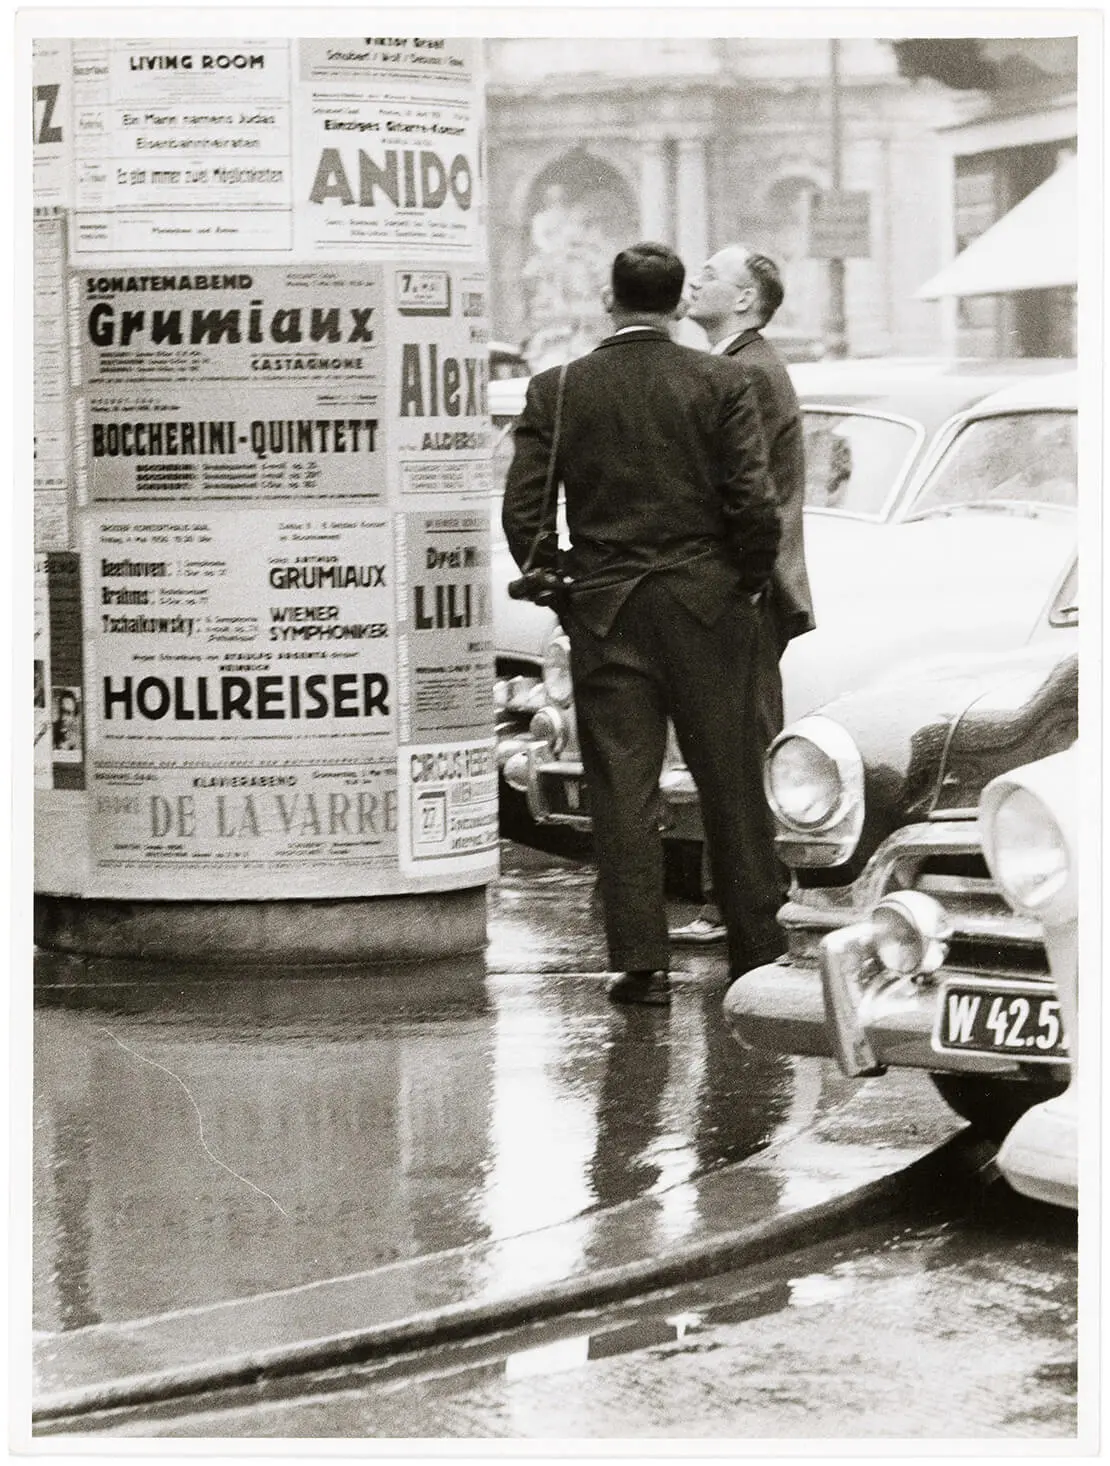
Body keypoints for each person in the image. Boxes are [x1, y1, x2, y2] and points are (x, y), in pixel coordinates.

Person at [503, 241, 783, 1007]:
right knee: (731, 779)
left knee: (621, 785)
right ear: (672, 304)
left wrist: (568, 583)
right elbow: (754, 505)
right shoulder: (722, 381)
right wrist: (744, 583)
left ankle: (639, 961)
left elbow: (524, 512)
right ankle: (757, 953)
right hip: (707, 606)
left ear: (608, 298)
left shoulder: (558, 389)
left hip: (607, 609)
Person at [671, 245, 816, 947]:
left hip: (746, 589)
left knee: (741, 740)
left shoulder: (747, 373)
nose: (694, 280)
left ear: (745, 300)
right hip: (742, 586)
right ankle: (730, 899)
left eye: (711, 275)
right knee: (727, 737)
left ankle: (744, 904)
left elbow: (741, 498)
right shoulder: (741, 364)